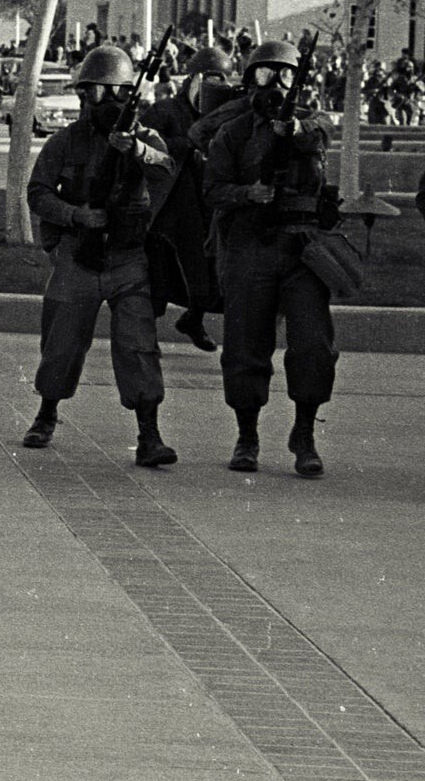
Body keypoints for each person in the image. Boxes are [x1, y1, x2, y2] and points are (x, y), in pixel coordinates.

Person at [21, 45, 179, 467]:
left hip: (128, 259)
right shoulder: (65, 142)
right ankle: (46, 413)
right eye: (96, 92)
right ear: (82, 96)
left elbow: (168, 169)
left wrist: (135, 151)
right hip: (78, 256)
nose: (106, 102)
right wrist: (75, 216)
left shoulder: (144, 138)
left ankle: (149, 433)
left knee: (138, 346)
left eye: (116, 93)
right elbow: (37, 192)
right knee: (62, 344)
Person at [201, 39, 335, 477]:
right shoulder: (234, 132)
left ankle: (304, 433)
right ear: (249, 80)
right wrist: (248, 193)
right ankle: (247, 435)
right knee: (244, 345)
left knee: (313, 344)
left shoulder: (309, 123)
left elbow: (321, 133)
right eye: (264, 74)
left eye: (285, 75)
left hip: (302, 250)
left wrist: (293, 131)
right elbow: (213, 189)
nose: (275, 84)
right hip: (251, 246)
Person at [144, 46, 238, 352]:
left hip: (207, 205)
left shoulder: (227, 116)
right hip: (170, 208)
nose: (214, 88)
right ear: (193, 80)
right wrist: (186, 145)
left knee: (210, 272)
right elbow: (145, 144)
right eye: (209, 80)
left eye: (220, 81)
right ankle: (145, 335)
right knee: (160, 274)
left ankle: (193, 319)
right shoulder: (165, 111)